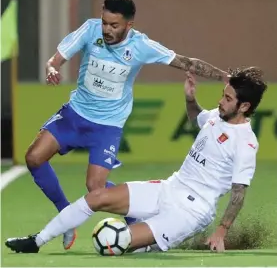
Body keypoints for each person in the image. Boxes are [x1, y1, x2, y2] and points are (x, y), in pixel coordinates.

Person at [24, 0, 228, 250]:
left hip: (107, 126)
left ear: (129, 25)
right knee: (33, 158)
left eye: (114, 25)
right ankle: (66, 214)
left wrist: (223, 76)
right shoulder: (90, 29)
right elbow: (56, 58)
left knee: (95, 188)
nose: (107, 29)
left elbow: (186, 62)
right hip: (74, 114)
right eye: (104, 22)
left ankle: (135, 220)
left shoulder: (142, 46)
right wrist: (52, 68)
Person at [6, 67, 267, 254]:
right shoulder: (215, 116)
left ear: (244, 107)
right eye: (223, 94)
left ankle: (150, 244)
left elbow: (239, 193)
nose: (221, 101)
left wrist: (221, 230)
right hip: (169, 187)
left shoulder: (245, 143)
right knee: (96, 196)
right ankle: (36, 241)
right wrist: (190, 99)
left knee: (115, 243)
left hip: (191, 211)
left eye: (228, 98)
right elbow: (194, 118)